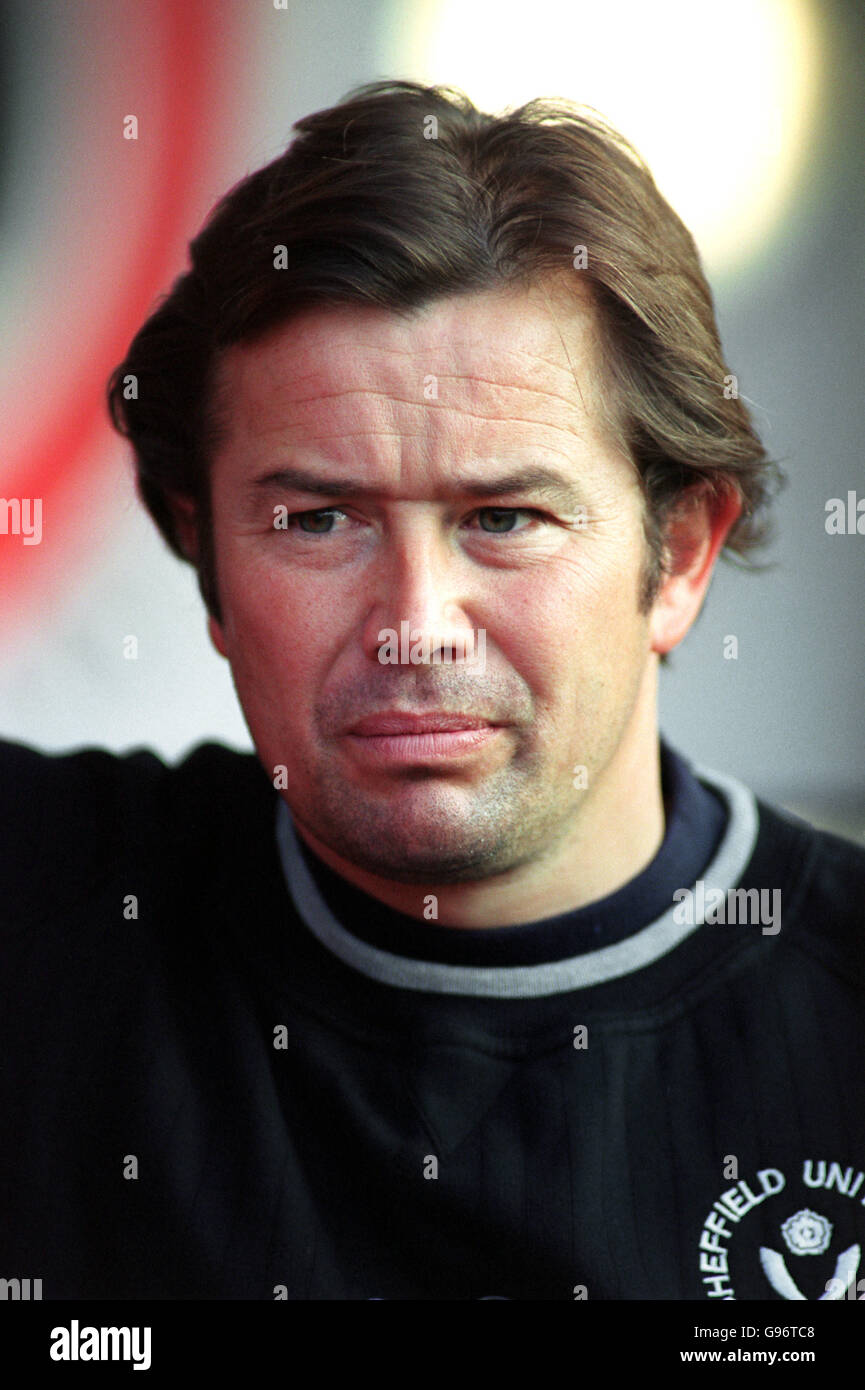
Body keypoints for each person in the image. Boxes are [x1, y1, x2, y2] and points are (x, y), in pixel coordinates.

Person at [2, 80, 864, 1303]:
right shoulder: (44, 909)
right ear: (206, 558)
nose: (415, 626)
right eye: (318, 520)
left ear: (677, 556)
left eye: (503, 517)